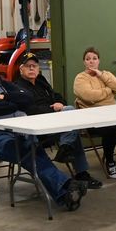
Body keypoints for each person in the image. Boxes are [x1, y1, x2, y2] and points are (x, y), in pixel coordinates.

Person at [0, 53, 87, 210]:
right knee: (27, 151)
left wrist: (6, 97)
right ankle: (67, 185)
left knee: (33, 148)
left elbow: (27, 98)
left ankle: (65, 194)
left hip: (17, 132)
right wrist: (14, 103)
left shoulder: (4, 85)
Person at [15, 52, 101, 189]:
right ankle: (68, 152)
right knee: (71, 117)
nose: (32, 69)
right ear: (21, 69)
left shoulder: (41, 81)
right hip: (38, 128)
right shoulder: (18, 87)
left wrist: (59, 104)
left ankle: (77, 166)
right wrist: (54, 110)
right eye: (28, 66)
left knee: (71, 124)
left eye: (34, 66)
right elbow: (30, 110)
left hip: (56, 123)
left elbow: (58, 96)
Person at [73, 47, 116, 178]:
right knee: (111, 130)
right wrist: (109, 91)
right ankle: (110, 161)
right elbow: (90, 96)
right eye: (88, 59)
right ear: (84, 62)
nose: (91, 61)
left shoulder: (105, 74)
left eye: (94, 58)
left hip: (114, 114)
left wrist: (102, 76)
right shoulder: (80, 78)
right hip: (93, 119)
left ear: (99, 61)